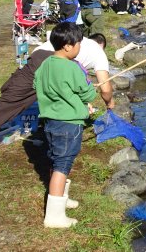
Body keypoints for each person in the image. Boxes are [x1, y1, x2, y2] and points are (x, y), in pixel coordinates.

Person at [0, 32, 113, 162]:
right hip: (50, 62)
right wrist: (110, 105)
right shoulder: (99, 53)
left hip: (37, 57)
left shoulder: (78, 40)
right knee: (9, 106)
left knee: (7, 102)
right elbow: (105, 88)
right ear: (101, 45)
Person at [34, 23, 97, 228]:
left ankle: (61, 196)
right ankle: (54, 216)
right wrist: (87, 93)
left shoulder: (44, 64)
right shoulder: (72, 67)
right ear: (68, 46)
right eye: (79, 44)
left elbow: (37, 85)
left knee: (56, 160)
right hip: (69, 124)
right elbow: (89, 93)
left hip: (50, 121)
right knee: (62, 164)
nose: (80, 48)